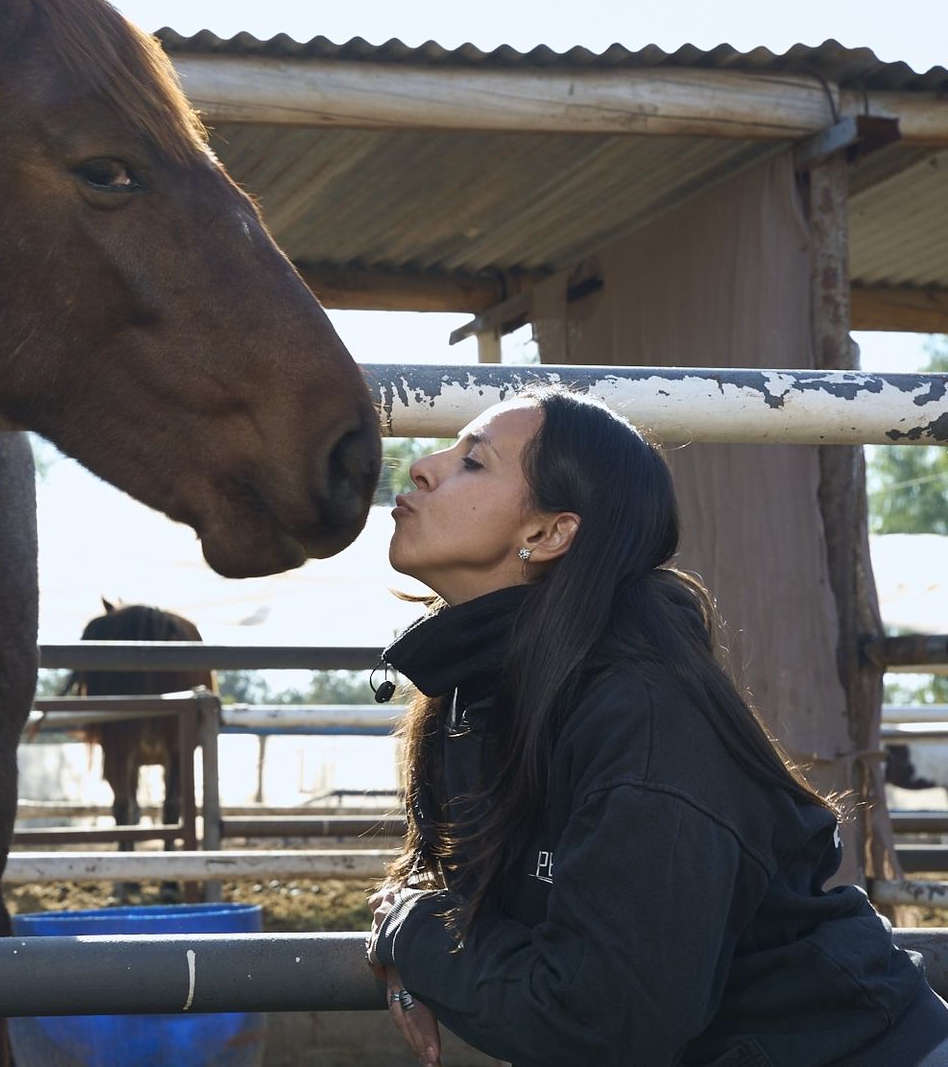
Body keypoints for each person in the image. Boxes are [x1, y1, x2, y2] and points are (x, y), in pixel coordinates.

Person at [363, 387, 948, 1067]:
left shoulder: (640, 720)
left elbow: (603, 1022)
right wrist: (417, 924)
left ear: (548, 534)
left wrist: (411, 934)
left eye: (475, 462)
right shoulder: (471, 697)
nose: (421, 467)